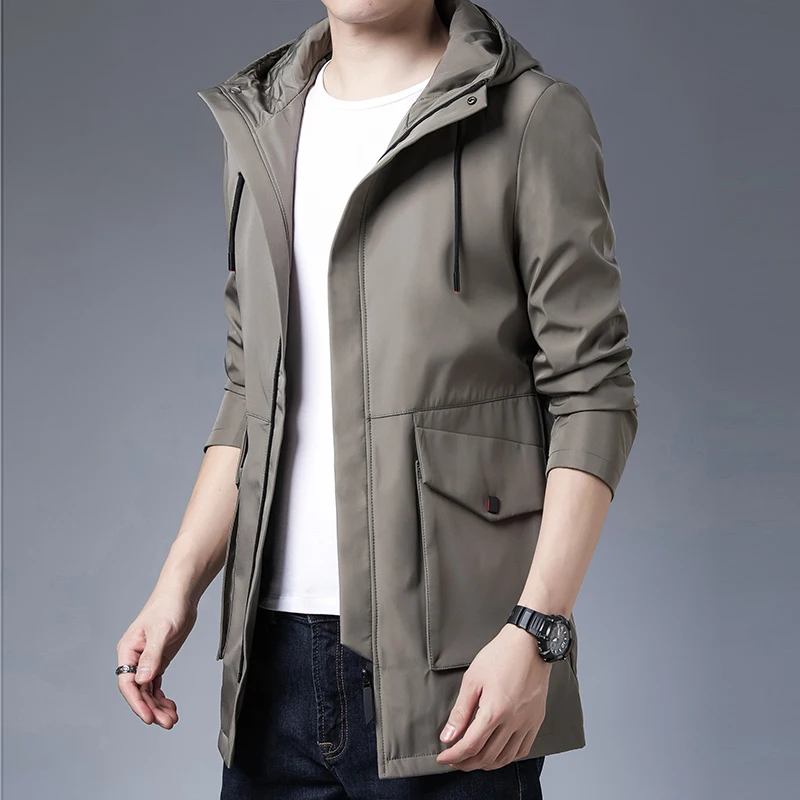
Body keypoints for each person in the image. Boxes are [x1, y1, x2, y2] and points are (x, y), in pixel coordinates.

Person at [115, 0, 639, 797]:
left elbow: (594, 393)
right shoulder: (262, 125)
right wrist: (174, 587)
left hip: (457, 669)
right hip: (270, 669)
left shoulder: (532, 118)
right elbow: (249, 393)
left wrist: (538, 628)